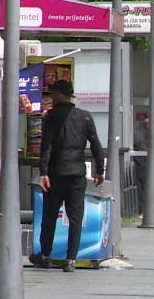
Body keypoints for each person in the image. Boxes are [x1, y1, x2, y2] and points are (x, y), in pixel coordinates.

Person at [29, 80, 104, 273]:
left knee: (50, 215)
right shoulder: (85, 117)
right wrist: (100, 170)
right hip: (77, 174)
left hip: (56, 174)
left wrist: (43, 172)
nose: (51, 98)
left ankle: (45, 255)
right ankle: (71, 259)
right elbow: (96, 145)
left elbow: (47, 146)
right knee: (76, 217)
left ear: (59, 94)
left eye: (53, 94)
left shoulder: (53, 117)